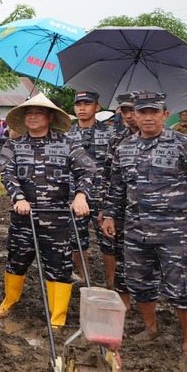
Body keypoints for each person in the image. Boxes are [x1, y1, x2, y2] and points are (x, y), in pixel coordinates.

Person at [102, 92, 187, 356]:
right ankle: (151, 329)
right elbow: (117, 187)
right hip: (136, 231)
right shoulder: (125, 147)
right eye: (141, 112)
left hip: (174, 232)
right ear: (133, 114)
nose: (147, 117)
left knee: (183, 287)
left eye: (153, 112)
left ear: (164, 115)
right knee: (140, 283)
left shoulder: (185, 145)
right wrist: (109, 214)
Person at [0, 94, 94, 328]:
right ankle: (10, 300)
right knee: (16, 260)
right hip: (23, 217)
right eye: (28, 113)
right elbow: (6, 173)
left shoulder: (68, 143)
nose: (32, 117)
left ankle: (57, 315)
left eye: (38, 113)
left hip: (56, 218)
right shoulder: (14, 145)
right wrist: (18, 197)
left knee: (59, 265)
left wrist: (81, 196)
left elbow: (88, 172)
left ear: (50, 117)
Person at [65, 90, 116, 287]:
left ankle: (111, 281)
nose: (82, 108)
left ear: (97, 107)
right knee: (76, 238)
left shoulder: (110, 132)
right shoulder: (66, 134)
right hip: (74, 194)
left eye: (87, 104)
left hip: (102, 195)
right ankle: (85, 277)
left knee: (108, 240)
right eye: (78, 104)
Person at [100, 92, 139, 308]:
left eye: (134, 109)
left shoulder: (173, 141)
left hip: (160, 216)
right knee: (122, 259)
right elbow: (109, 178)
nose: (129, 115)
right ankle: (124, 310)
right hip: (122, 210)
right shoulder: (117, 140)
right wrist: (105, 210)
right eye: (124, 110)